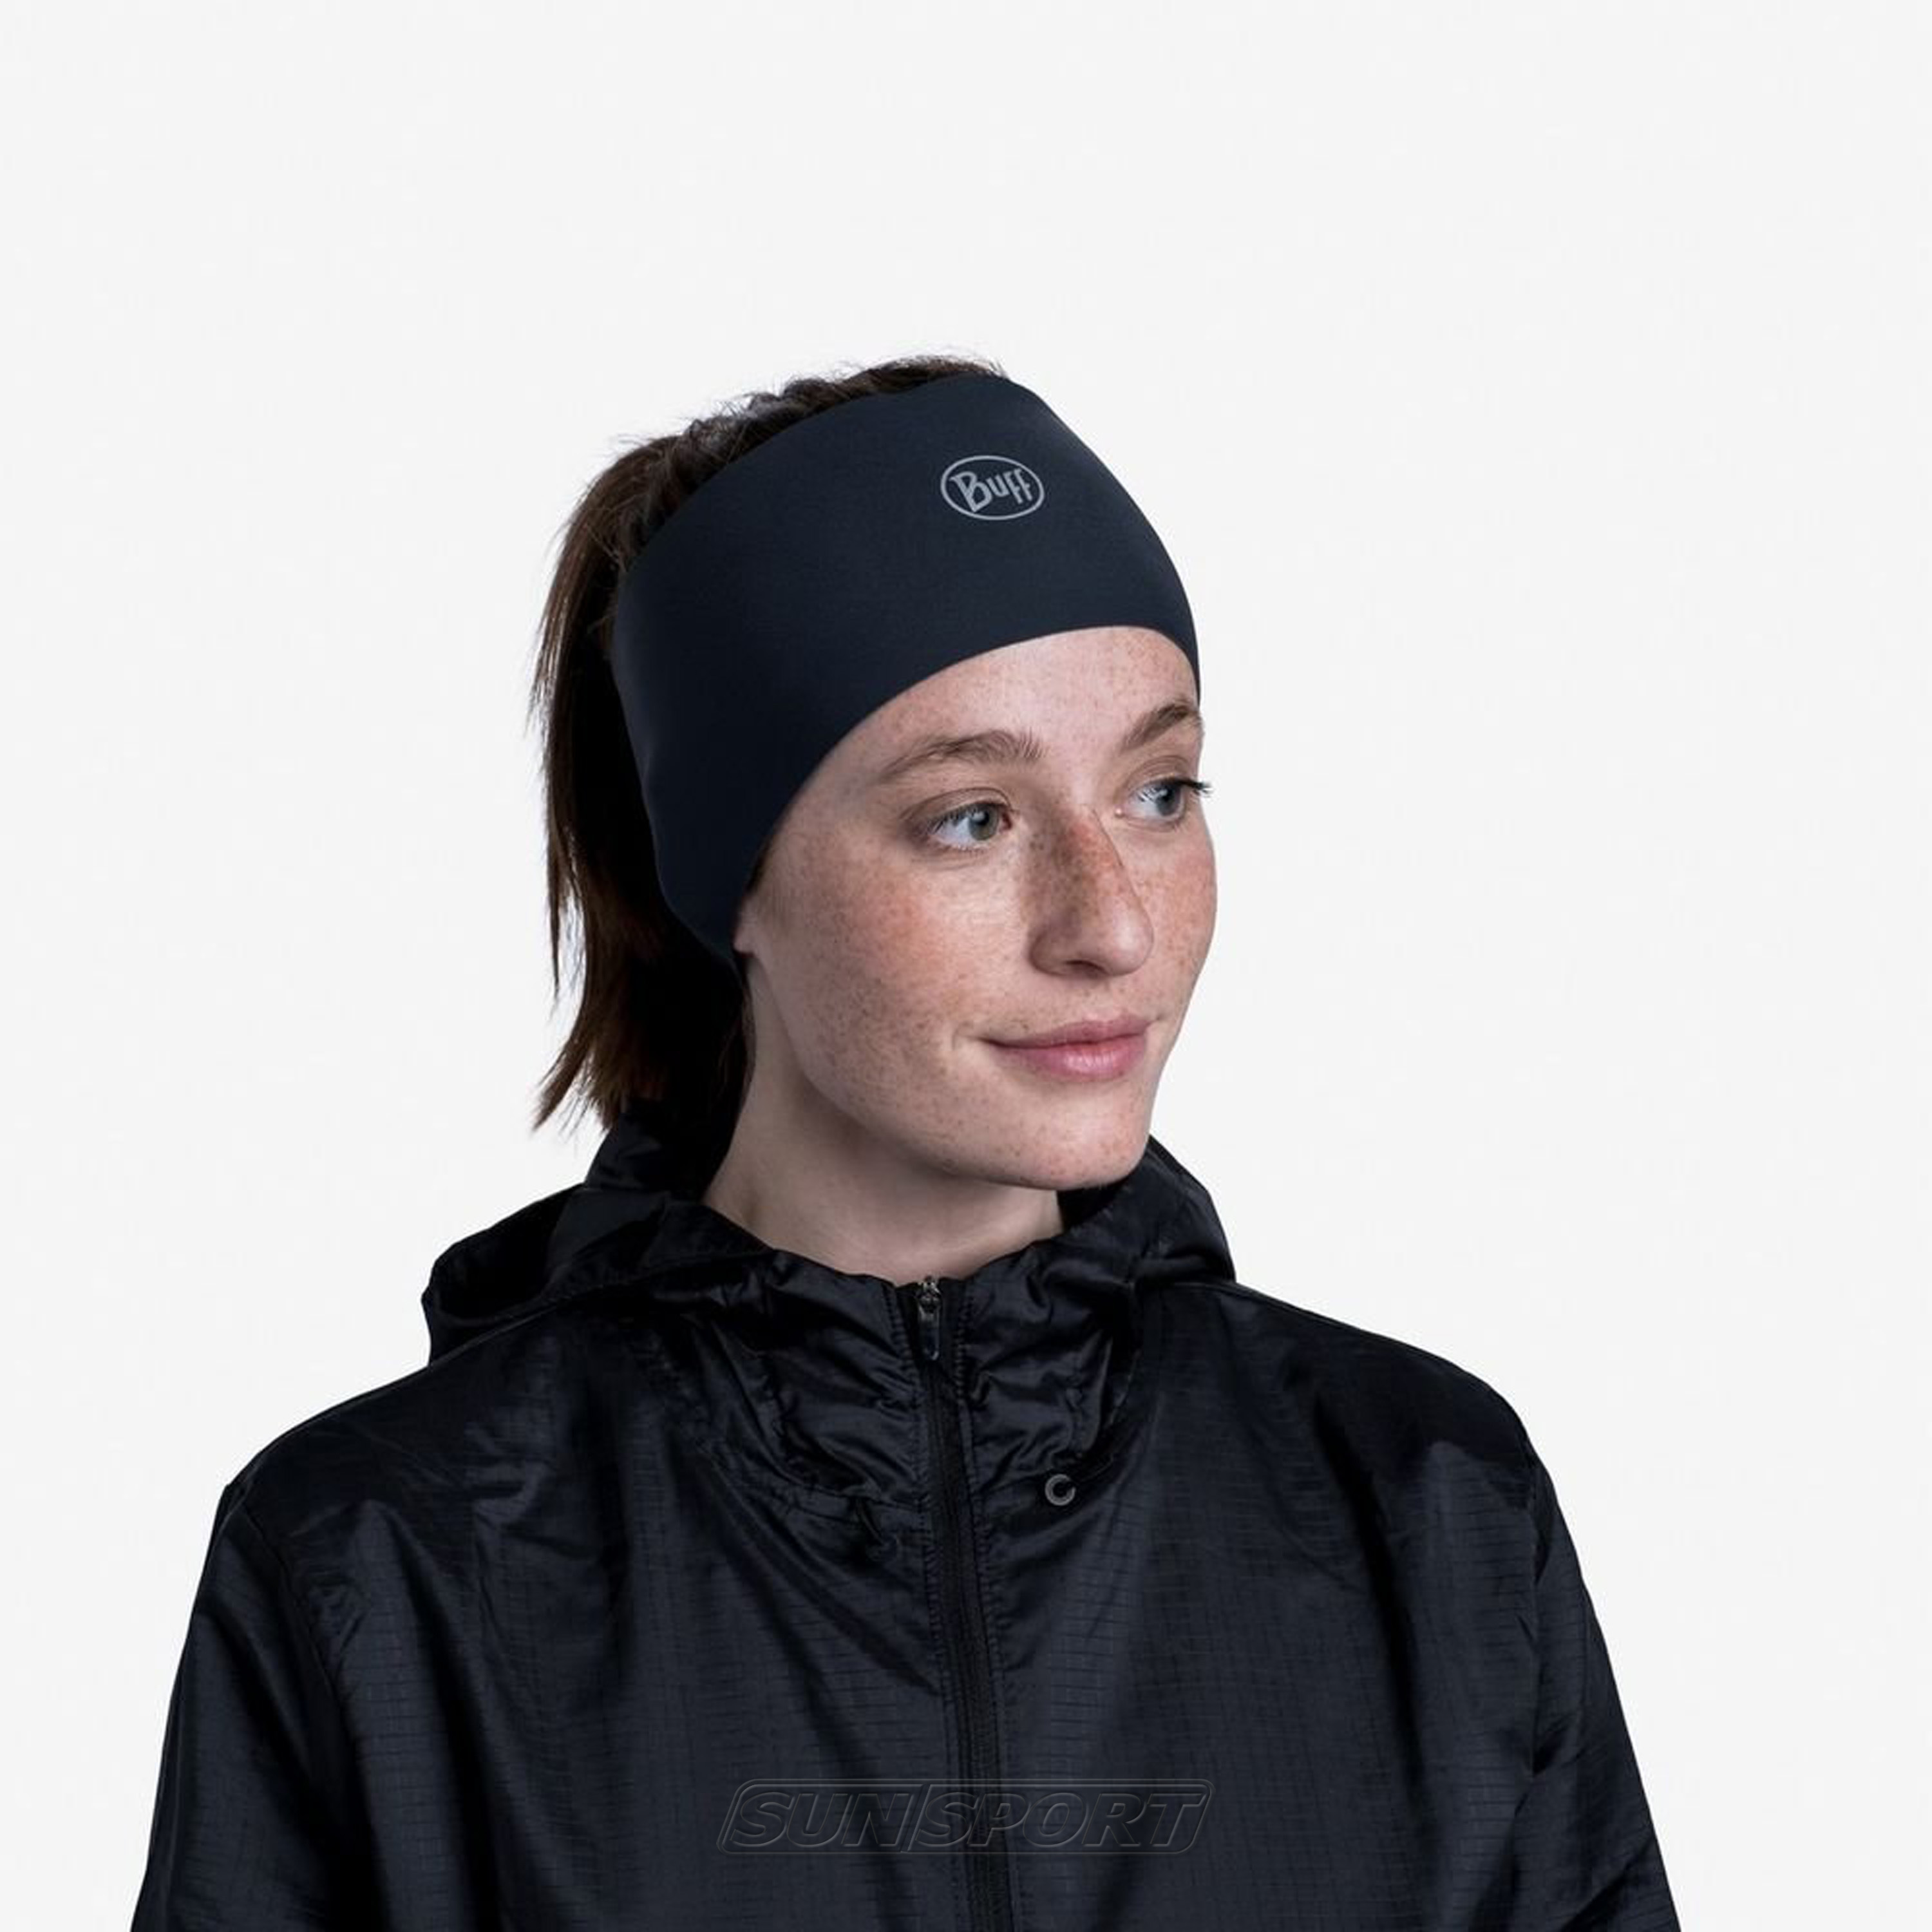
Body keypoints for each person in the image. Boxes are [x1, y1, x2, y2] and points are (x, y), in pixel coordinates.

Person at [130, 353, 1680, 1929]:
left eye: (1159, 791)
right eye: (972, 818)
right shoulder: (384, 1558)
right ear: (726, 877)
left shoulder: (1428, 1504)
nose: (1112, 924)